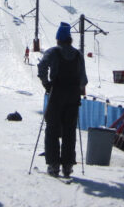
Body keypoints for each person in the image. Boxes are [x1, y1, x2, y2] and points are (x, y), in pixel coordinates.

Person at [37, 22, 88, 177]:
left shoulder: (53, 52)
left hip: (56, 94)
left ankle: (53, 164)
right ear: (70, 39)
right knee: (69, 130)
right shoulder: (78, 55)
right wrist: (77, 88)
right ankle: (67, 165)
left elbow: (41, 67)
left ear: (58, 38)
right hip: (73, 97)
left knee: (52, 129)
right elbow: (84, 79)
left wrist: (46, 84)